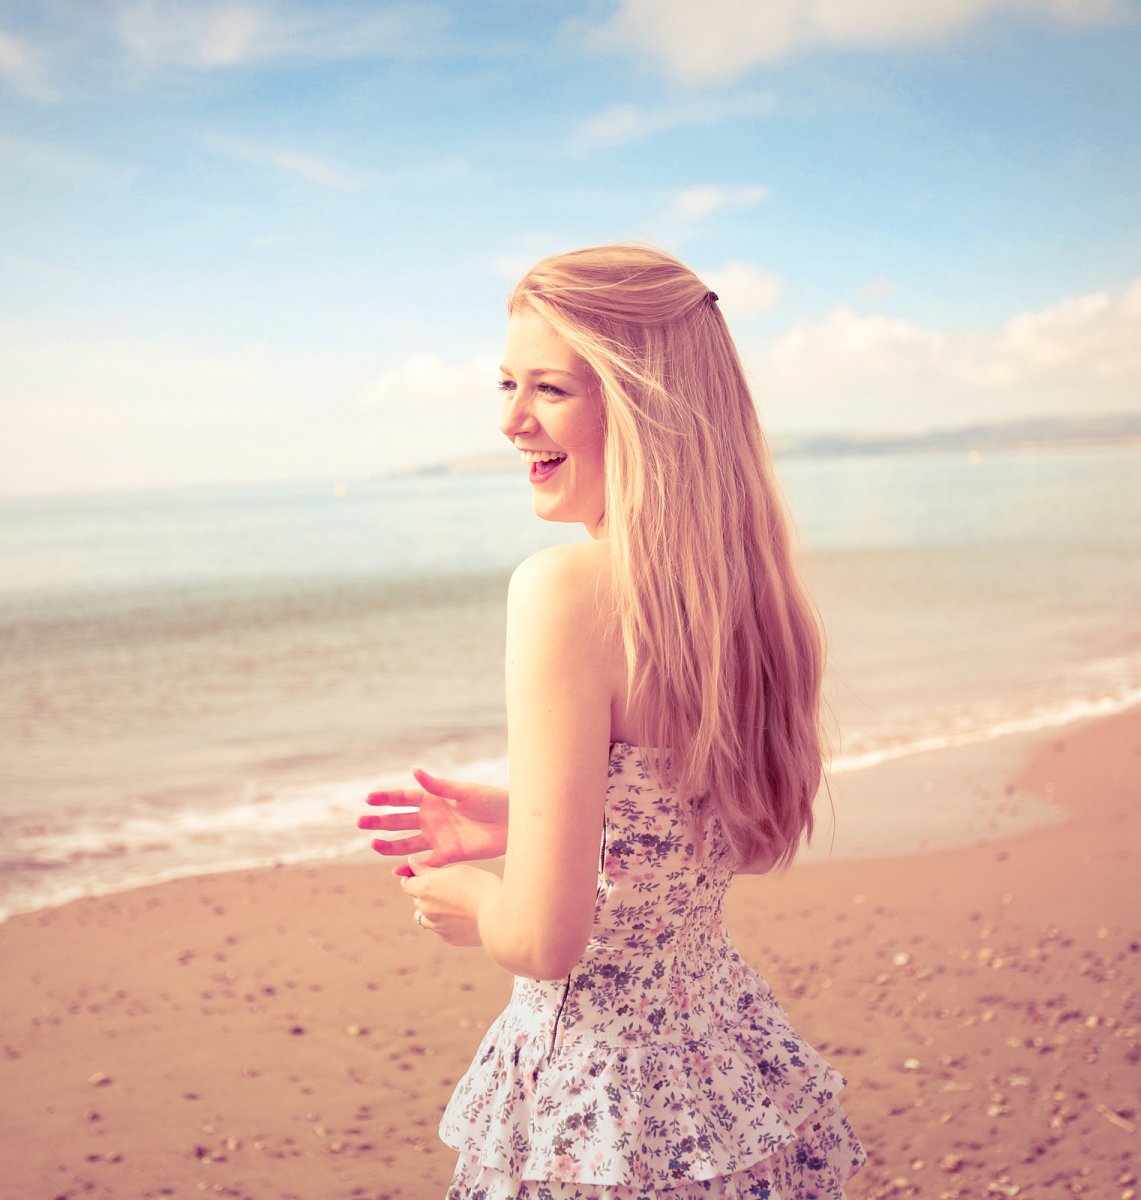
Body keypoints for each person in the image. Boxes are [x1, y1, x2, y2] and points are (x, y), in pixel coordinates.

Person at [356, 244, 865, 1198]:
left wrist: (471, 901)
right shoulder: (745, 598)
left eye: (548, 388)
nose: (511, 420)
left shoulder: (564, 591)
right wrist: (537, 822)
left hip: (602, 1109)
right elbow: (740, 841)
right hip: (726, 1074)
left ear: (642, 408)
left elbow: (545, 942)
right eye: (507, 384)